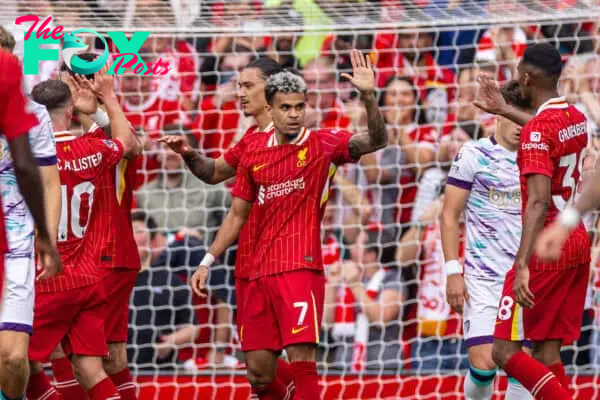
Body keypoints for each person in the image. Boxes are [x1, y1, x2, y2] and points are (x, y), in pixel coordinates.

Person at [189, 50, 386, 400]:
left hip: (298, 266)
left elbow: (376, 141)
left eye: (299, 107)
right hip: (253, 270)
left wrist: (369, 97)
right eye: (286, 108)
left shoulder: (323, 143)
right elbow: (236, 210)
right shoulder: (252, 147)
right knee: (259, 375)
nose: (294, 115)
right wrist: (208, 259)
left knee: (302, 360)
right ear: (271, 106)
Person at [479, 43, 590, 399]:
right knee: (546, 353)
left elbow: (539, 201)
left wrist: (522, 263)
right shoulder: (576, 116)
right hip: (577, 241)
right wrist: (504, 109)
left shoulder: (537, 133)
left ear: (526, 77)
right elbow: (544, 131)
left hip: (546, 246)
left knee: (504, 351)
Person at [27, 75, 138, 400]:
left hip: (47, 276)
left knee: (14, 357)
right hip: (87, 277)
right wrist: (108, 100)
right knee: (89, 368)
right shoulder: (93, 149)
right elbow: (128, 143)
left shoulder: (24, 160)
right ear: (70, 109)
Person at [440, 80, 532, 400]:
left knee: (523, 367)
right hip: (483, 276)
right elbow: (450, 214)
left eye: (527, 113)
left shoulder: (537, 157)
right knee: (483, 362)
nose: (521, 122)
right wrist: (453, 270)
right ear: (497, 113)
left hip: (526, 277)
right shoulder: (474, 154)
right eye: (514, 112)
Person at [0, 49, 62, 400]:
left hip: (16, 243)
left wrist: (46, 235)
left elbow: (45, 179)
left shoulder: (32, 113)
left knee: (12, 359)